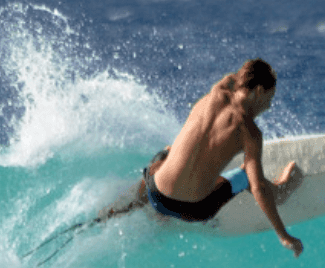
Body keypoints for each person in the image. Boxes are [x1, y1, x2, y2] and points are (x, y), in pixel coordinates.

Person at [104, 58, 304, 257]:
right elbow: (258, 187)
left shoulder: (217, 91)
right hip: (194, 210)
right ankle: (282, 191)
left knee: (167, 154)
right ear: (259, 91)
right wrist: (284, 235)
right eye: (269, 98)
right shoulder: (250, 133)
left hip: (156, 195)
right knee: (246, 176)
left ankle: (118, 210)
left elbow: (232, 79)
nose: (269, 106)